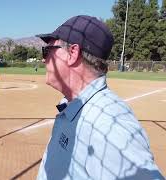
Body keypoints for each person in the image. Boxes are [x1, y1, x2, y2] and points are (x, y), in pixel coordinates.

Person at [36, 15, 164, 180]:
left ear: (72, 53)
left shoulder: (108, 124)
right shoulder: (74, 104)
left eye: (47, 51)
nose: (43, 59)